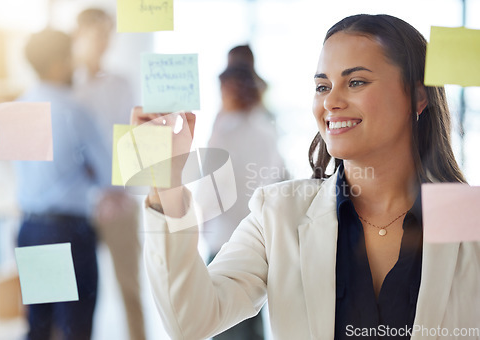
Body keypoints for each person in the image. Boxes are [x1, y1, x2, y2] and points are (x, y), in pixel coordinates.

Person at [133, 14, 479, 340]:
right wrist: (166, 181)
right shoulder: (278, 215)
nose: (331, 102)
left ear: (418, 96)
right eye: (322, 87)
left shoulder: (470, 220)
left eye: (356, 82)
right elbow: (189, 320)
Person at [15, 29, 110, 340]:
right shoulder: (73, 109)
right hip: (67, 232)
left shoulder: (17, 108)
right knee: (75, 328)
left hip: (31, 229)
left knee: (40, 327)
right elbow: (108, 171)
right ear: (58, 64)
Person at [72, 8, 147, 340]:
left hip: (119, 201)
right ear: (79, 34)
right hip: (77, 206)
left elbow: (133, 140)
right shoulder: (65, 86)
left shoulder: (121, 84)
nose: (104, 40)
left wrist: (124, 192)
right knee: (73, 295)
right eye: (97, 32)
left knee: (130, 290)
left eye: (108, 32)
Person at [200, 59, 287, 339]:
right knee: (251, 318)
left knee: (224, 320)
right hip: (259, 236)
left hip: (225, 237)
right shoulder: (266, 129)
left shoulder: (225, 132)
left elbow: (209, 191)